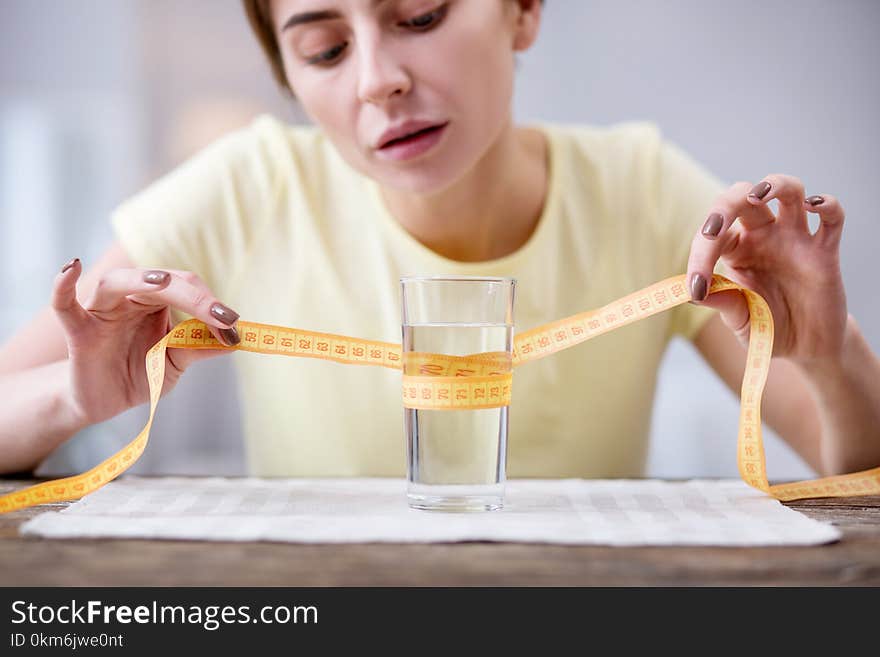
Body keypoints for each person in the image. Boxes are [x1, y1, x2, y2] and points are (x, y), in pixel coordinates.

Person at [0, 0, 878, 480]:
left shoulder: (642, 188)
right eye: (325, 48)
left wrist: (829, 353)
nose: (379, 80)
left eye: (418, 16)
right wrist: (76, 401)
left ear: (523, 11)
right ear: (290, 79)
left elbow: (850, 470)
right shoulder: (245, 186)